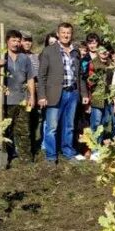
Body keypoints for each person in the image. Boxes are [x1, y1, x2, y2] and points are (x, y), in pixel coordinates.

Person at [38, 22, 88, 164]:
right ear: (58, 33)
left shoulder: (75, 52)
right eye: (63, 32)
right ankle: (51, 156)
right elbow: (42, 76)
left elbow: (80, 75)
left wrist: (83, 94)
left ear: (72, 34)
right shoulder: (49, 51)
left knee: (69, 126)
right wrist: (41, 95)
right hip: (54, 94)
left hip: (72, 94)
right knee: (52, 127)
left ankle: (67, 152)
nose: (66, 35)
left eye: (69, 33)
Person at [1, 29, 35, 164]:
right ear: (7, 41)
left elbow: (30, 78)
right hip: (5, 100)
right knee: (5, 130)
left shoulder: (25, 58)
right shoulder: (1, 57)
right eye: (13, 40)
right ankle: (6, 155)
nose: (16, 43)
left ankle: (25, 156)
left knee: (24, 129)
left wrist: (32, 96)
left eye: (18, 40)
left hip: (22, 99)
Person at [86, 43, 115, 150]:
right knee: (95, 123)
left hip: (108, 98)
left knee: (104, 123)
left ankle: (99, 145)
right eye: (102, 50)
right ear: (98, 51)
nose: (104, 52)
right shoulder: (93, 63)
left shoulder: (112, 64)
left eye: (107, 50)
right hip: (97, 98)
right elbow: (89, 82)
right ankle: (93, 148)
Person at [21, 32, 42, 161]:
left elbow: (38, 76)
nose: (27, 43)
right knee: (21, 123)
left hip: (34, 93)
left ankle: (33, 147)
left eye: (29, 40)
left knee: (33, 121)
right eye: (25, 40)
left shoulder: (35, 57)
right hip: (21, 94)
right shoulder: (16, 56)